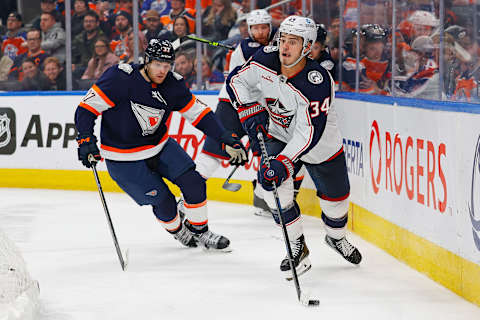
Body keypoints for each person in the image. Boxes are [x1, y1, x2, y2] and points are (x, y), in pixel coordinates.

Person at [74, 39, 247, 251]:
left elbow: (199, 114)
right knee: (164, 202)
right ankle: (177, 231)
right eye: (157, 64)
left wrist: (225, 136)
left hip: (160, 147)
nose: (162, 71)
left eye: (167, 66)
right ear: (146, 61)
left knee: (194, 182)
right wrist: (85, 139)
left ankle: (201, 231)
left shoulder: (173, 85)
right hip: (123, 160)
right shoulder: (119, 78)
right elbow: (85, 109)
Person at [226, 16, 362, 279]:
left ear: (308, 46)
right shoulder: (266, 58)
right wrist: (248, 108)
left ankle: (335, 238)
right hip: (278, 133)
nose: (285, 47)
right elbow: (236, 80)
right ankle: (297, 247)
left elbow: (308, 132)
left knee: (337, 202)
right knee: (272, 187)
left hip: (319, 144)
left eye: (293, 42)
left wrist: (284, 162)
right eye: (283, 40)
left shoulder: (318, 81)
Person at [194, 9, 277, 216]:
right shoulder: (246, 47)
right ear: (249, 30)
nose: (259, 32)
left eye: (263, 27)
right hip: (231, 104)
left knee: (266, 153)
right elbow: (245, 76)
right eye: (255, 28)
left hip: (260, 108)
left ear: (270, 28)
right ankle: (190, 193)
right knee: (213, 151)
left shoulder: (275, 47)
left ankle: (262, 196)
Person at [72, 11, 106, 79]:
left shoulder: (102, 39)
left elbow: (101, 59)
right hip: (80, 66)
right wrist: (72, 64)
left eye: (91, 21)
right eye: (86, 21)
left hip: (95, 68)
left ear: (97, 23)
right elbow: (73, 54)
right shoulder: (78, 38)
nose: (88, 24)